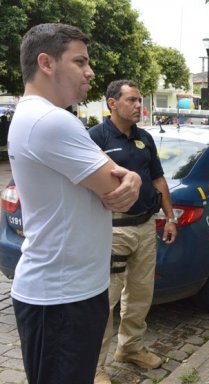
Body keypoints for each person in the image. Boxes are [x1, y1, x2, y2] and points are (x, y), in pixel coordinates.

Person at [8, 23, 141, 383]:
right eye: (80, 61)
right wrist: (130, 177)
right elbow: (117, 187)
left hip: (66, 292)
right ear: (46, 63)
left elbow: (122, 178)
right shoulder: (51, 121)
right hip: (61, 298)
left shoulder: (41, 117)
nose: (90, 71)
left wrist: (135, 176)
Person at [89, 80, 177, 383]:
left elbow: (158, 180)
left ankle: (130, 348)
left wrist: (171, 217)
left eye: (140, 100)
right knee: (106, 299)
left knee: (140, 294)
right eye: (132, 100)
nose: (139, 106)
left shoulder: (145, 138)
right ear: (112, 103)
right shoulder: (95, 137)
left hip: (145, 225)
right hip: (113, 229)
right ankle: (95, 366)